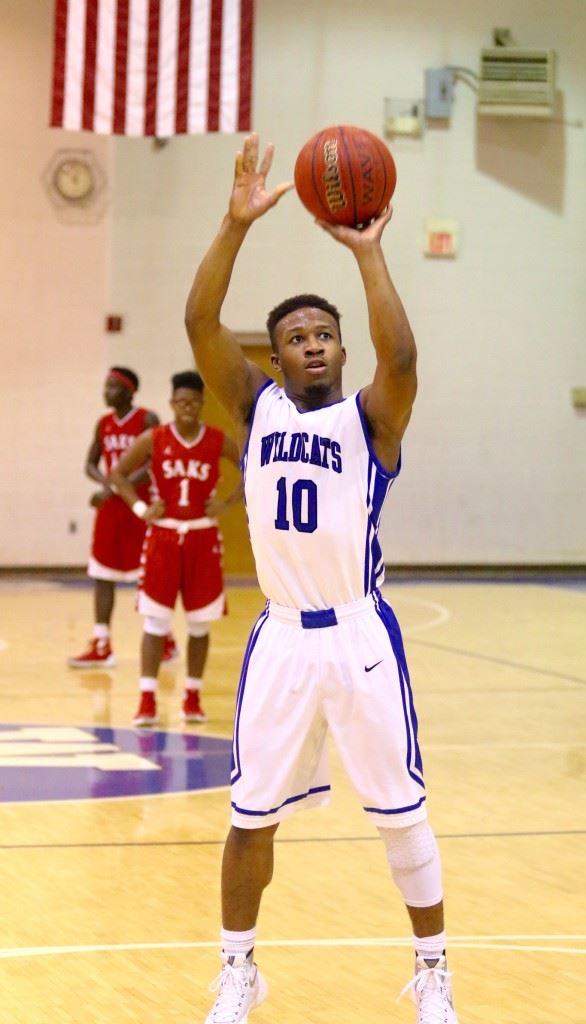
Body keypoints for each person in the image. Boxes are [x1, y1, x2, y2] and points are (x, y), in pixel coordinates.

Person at [184, 134, 459, 1024]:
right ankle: (238, 972)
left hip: (358, 634)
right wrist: (233, 226)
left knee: (400, 816)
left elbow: (405, 360)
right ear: (272, 357)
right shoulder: (254, 405)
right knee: (249, 814)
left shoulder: (372, 420)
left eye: (324, 335)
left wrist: (369, 254)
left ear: (342, 351)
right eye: (295, 337)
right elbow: (197, 322)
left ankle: (432, 973)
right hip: (281, 639)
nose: (311, 346)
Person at [109, 370, 242, 726]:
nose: (187, 408)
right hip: (164, 537)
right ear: (172, 403)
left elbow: (253, 466)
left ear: (201, 405)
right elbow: (118, 474)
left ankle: (193, 697)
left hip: (202, 536)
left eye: (194, 403)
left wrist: (228, 503)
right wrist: (141, 508)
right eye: (181, 402)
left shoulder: (216, 440)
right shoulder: (155, 438)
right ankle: (147, 699)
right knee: (155, 621)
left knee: (199, 625)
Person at [67, 367, 178, 668]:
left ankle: (165, 638)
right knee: (102, 573)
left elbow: (156, 462)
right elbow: (89, 463)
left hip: (140, 506)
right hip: (111, 509)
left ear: (130, 391)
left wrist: (116, 486)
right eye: (105, 386)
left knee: (150, 576)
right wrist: (108, 484)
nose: (106, 392)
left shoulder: (147, 419)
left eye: (113, 387)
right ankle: (102, 642)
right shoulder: (103, 424)